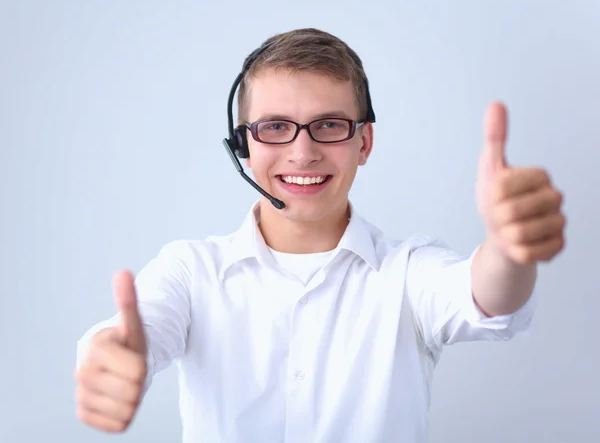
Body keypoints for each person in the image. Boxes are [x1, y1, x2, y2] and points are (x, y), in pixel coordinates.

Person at [74, 28, 566, 442]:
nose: (303, 152)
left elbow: (487, 297)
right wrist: (113, 355)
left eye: (329, 124)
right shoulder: (189, 271)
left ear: (364, 142)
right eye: (275, 127)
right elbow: (134, 334)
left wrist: (508, 248)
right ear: (242, 144)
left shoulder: (410, 271)